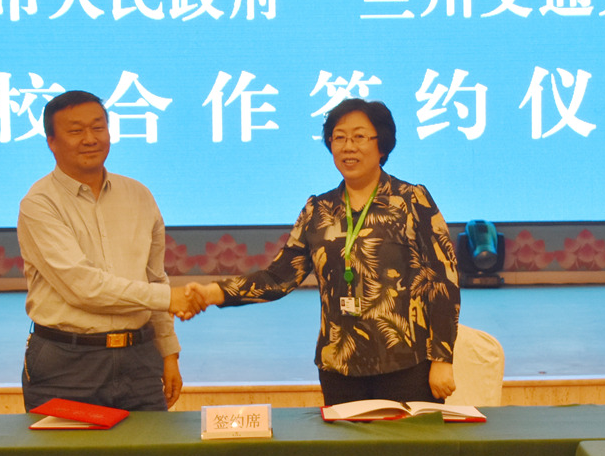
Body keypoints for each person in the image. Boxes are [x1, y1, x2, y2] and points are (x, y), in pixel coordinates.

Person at [187, 98, 460, 405]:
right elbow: (278, 278)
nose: (348, 147)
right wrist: (213, 293)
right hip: (339, 368)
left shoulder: (411, 201)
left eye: (359, 137)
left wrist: (442, 358)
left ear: (381, 145)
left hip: (407, 366)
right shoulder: (318, 210)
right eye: (339, 137)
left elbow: (443, 282)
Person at [17, 90, 201, 412]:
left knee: (149, 446)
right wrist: (169, 299)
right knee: (64, 448)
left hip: (140, 360)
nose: (90, 139)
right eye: (76, 131)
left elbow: (154, 278)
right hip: (68, 364)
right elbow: (83, 287)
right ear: (51, 142)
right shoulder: (39, 204)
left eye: (98, 127)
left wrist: (169, 353)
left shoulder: (139, 195)